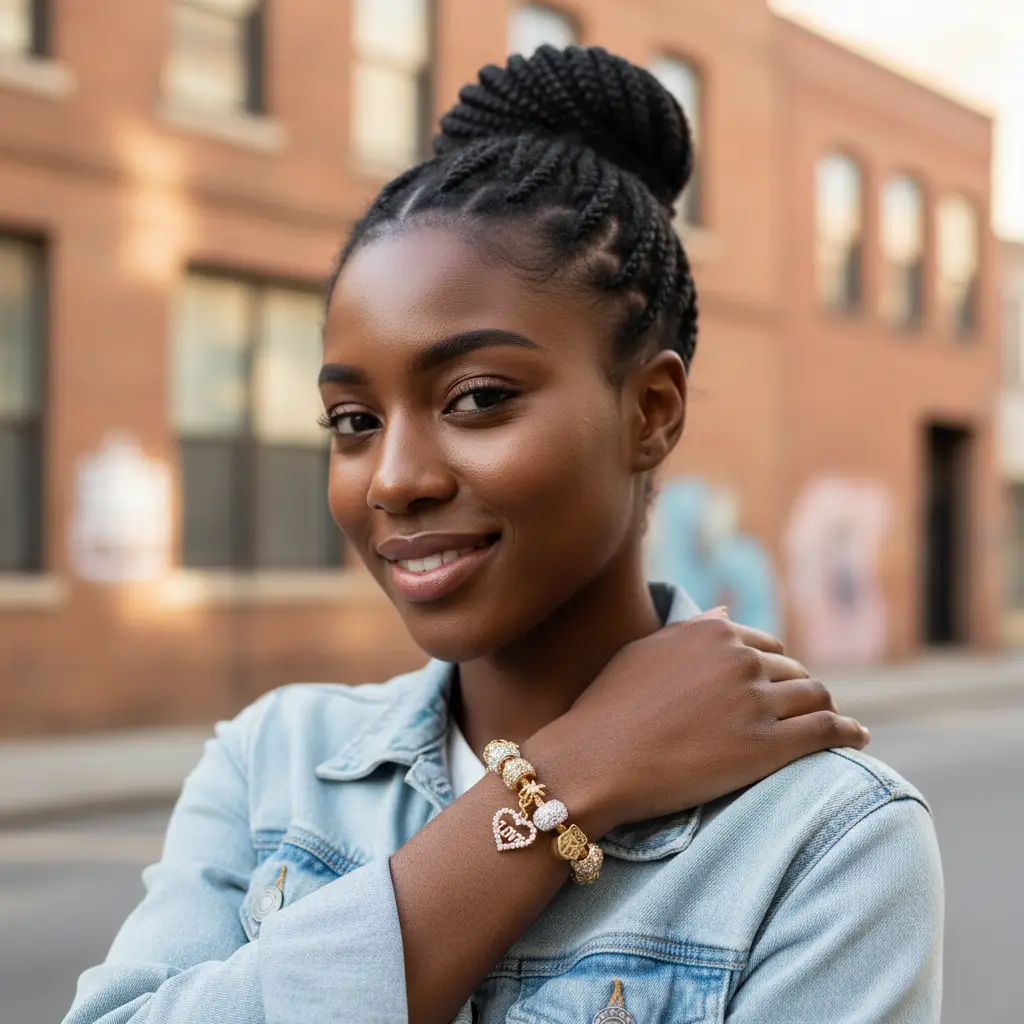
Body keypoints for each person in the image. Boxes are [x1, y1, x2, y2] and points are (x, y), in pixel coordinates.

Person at [65, 45, 942, 1024]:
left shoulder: (821, 839)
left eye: (477, 398)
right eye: (353, 421)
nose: (394, 478)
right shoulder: (271, 761)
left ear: (649, 410)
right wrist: (565, 779)